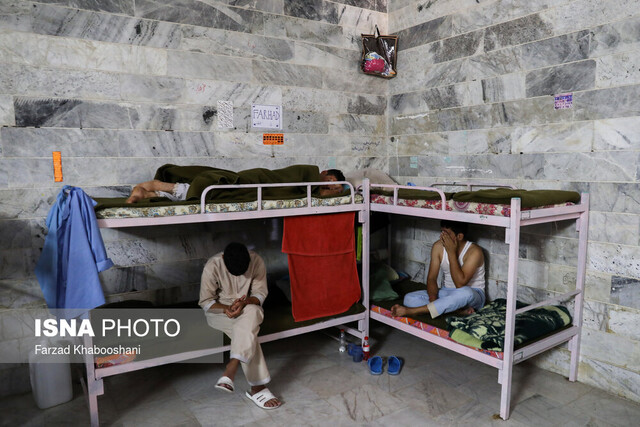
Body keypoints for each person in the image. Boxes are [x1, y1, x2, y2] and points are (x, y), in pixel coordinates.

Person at [199, 242, 282, 410]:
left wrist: (245, 302)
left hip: (246, 307)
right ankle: (257, 387)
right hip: (220, 312)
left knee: (251, 313)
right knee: (247, 332)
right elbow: (206, 302)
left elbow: (259, 294)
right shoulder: (212, 265)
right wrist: (226, 309)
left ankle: (232, 367)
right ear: (223, 259)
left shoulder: (256, 260)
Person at [391, 220, 485, 319]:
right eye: (442, 232)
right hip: (447, 292)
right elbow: (431, 278)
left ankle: (412, 311)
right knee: (409, 299)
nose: (442, 236)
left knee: (466, 292)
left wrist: (451, 253)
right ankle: (456, 310)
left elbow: (460, 284)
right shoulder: (438, 246)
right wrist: (433, 299)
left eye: (447, 234)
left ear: (459, 236)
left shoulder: (474, 251)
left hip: (472, 295)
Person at [126, 168, 346, 203]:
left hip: (264, 186)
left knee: (219, 192)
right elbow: (281, 180)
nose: (329, 188)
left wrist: (336, 191)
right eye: (330, 182)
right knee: (229, 184)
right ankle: (161, 186)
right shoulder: (305, 174)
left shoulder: (314, 193)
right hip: (260, 179)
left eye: (334, 189)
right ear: (324, 173)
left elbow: (320, 194)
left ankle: (148, 193)